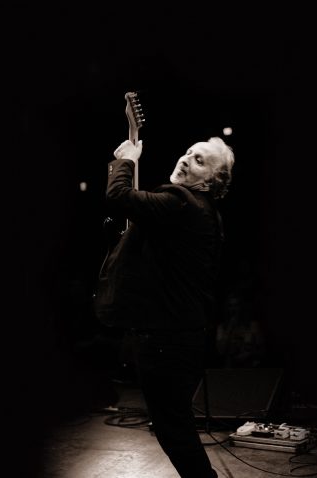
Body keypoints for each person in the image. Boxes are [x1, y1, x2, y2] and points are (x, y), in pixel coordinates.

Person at [93, 136, 235, 478]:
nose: (186, 159)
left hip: (166, 342)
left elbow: (118, 197)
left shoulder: (182, 203)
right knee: (175, 427)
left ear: (210, 182)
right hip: (179, 338)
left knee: (175, 430)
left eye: (199, 160)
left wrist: (126, 160)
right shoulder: (202, 214)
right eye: (188, 151)